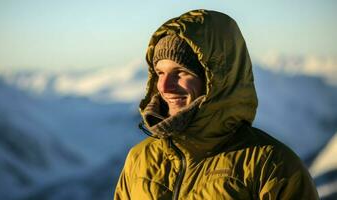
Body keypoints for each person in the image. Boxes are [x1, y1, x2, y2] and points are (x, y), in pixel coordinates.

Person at [114, 9, 319, 199]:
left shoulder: (272, 166)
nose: (164, 86)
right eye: (160, 73)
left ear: (217, 79)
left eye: (180, 72)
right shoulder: (140, 160)